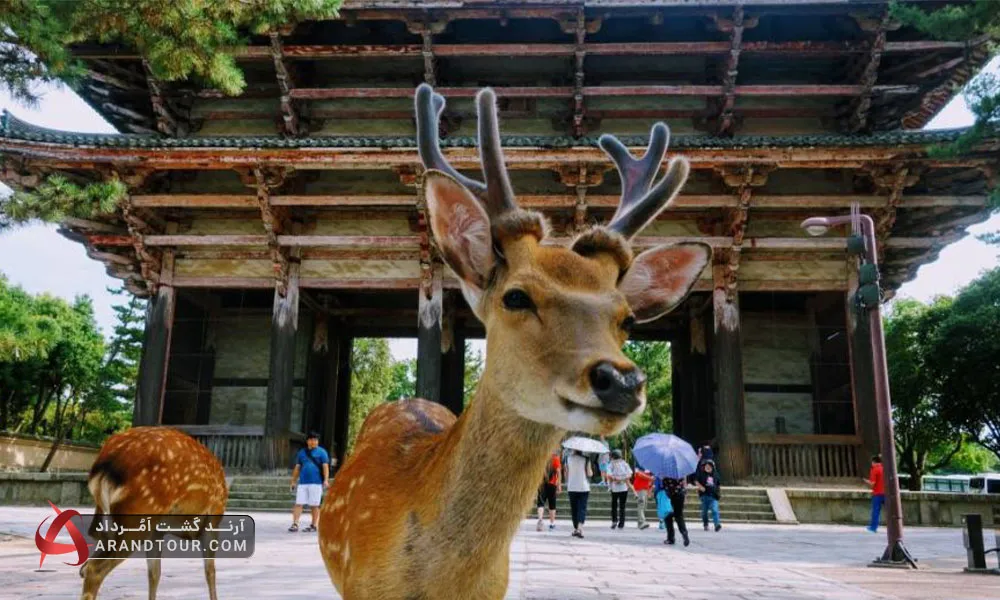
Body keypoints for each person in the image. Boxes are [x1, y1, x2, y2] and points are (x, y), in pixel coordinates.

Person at [289, 432, 330, 532]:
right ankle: (295, 524)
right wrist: (293, 481)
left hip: (316, 483)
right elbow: (297, 468)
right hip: (303, 482)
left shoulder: (322, 452)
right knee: (298, 503)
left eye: (316, 440)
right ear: (307, 441)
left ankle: (314, 525)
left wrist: (326, 480)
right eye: (311, 440)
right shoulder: (302, 452)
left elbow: (325, 467)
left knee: (314, 505)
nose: (314, 442)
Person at [565, 449, 593, 538]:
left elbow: (566, 473)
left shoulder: (567, 459)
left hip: (572, 486)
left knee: (574, 509)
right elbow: (589, 474)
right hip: (583, 487)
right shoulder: (586, 459)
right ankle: (580, 528)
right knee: (582, 508)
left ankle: (576, 528)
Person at [657, 476, 690, 546]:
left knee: (668, 517)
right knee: (679, 515)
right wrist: (685, 494)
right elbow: (684, 483)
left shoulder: (664, 471)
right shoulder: (680, 470)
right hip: (680, 494)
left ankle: (670, 538)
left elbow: (662, 485)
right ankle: (684, 533)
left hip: (669, 495)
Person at [536, 451, 562, 531]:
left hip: (542, 483)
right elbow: (558, 472)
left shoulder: (541, 457)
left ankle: (540, 520)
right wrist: (559, 485)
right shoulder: (555, 458)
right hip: (552, 483)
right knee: (552, 504)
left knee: (540, 502)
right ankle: (551, 524)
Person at [606, 449, 633, 530]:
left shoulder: (611, 464)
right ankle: (621, 523)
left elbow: (609, 474)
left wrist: (615, 479)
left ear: (613, 456)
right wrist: (623, 479)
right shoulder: (625, 464)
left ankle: (614, 521)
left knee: (614, 505)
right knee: (622, 506)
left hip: (614, 488)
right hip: (624, 488)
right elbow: (630, 474)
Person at [696, 461, 721, 532]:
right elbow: (696, 481)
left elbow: (718, 484)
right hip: (704, 497)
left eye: (709, 466)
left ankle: (717, 525)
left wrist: (718, 492)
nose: (707, 467)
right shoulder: (701, 474)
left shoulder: (716, 474)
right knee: (704, 512)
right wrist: (700, 487)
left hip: (713, 496)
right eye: (706, 466)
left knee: (715, 510)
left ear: (712, 467)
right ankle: (706, 524)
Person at [863, 454, 885, 533]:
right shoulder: (884, 468)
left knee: (875, 511)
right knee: (890, 511)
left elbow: (872, 483)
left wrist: (866, 481)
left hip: (877, 493)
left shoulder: (874, 469)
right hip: (886, 493)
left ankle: (873, 527)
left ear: (874, 462)